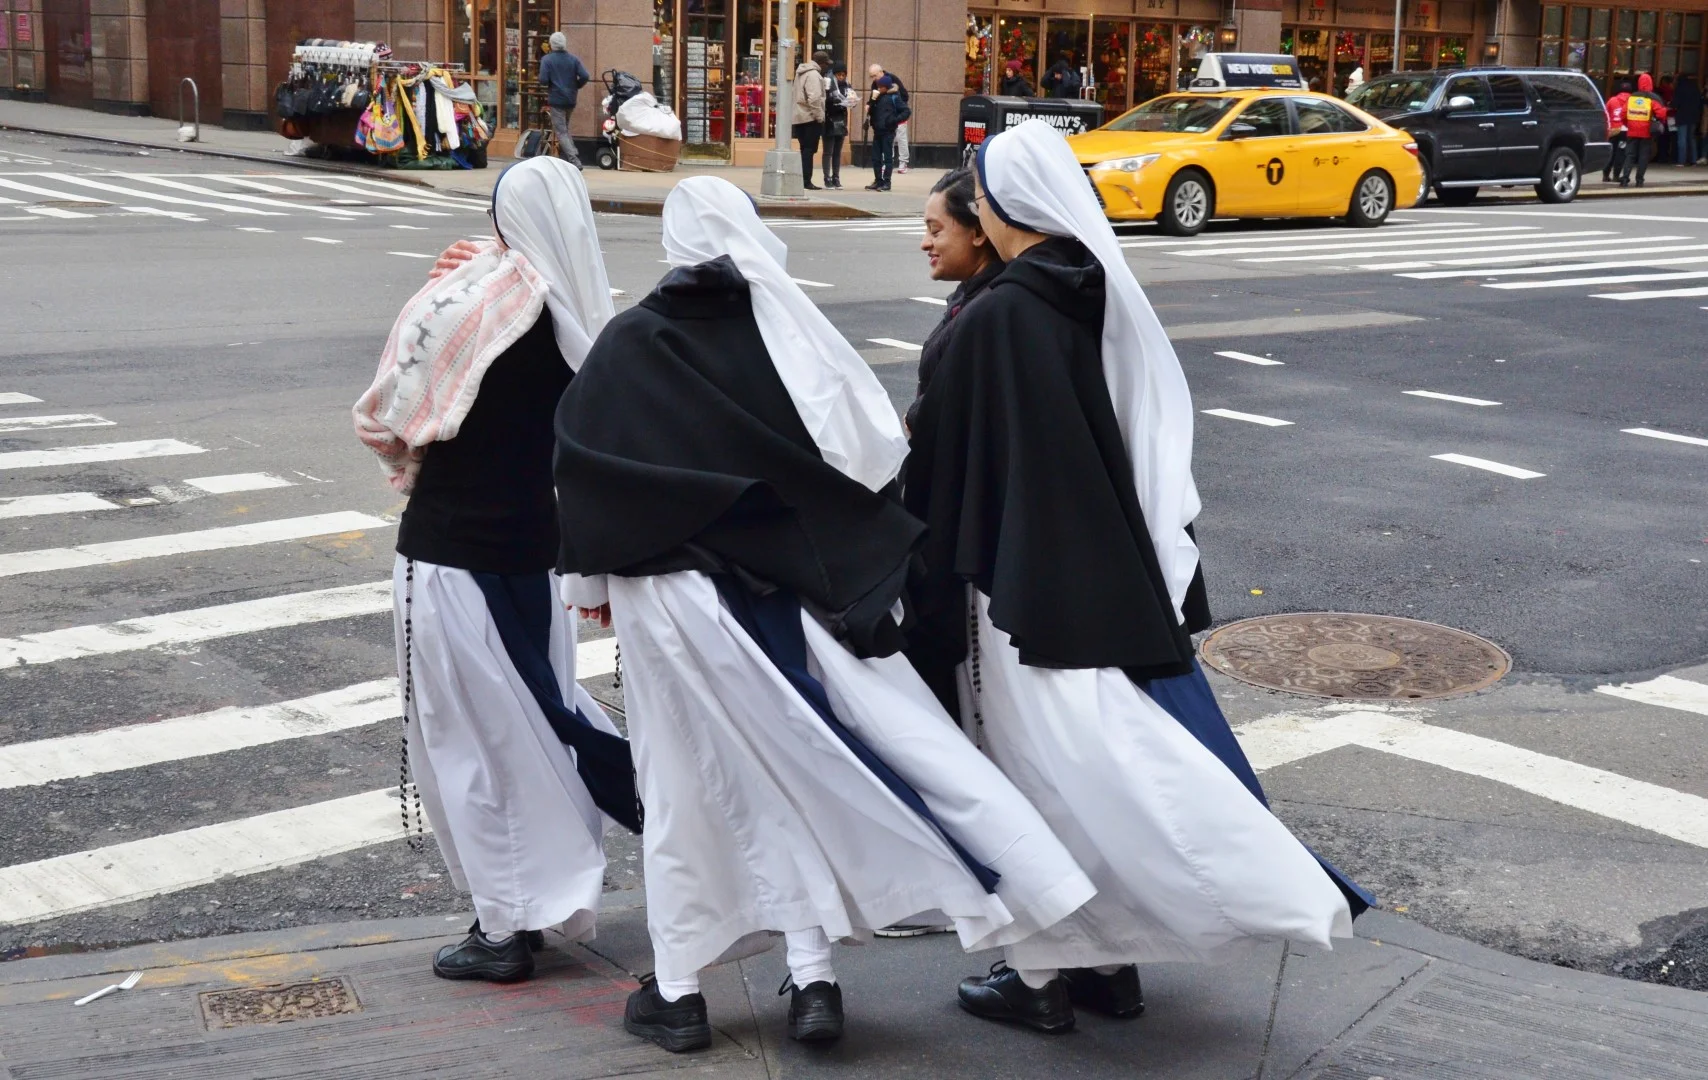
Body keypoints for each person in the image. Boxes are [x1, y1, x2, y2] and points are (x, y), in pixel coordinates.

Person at [552, 176, 1095, 1052]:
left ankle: (682, 990)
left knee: (683, 786)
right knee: (806, 773)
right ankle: (813, 981)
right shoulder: (782, 329)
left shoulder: (629, 343)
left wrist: (591, 592)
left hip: (664, 600)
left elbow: (581, 469)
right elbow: (866, 452)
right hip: (779, 598)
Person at [903, 121, 1370, 1034]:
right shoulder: (1084, 291)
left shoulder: (1003, 314)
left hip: (1013, 591)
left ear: (999, 209)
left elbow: (954, 464)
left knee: (1035, 774)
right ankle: (1105, 966)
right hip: (1090, 571)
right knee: (1095, 766)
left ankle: (1042, 978)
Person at [353, 157, 637, 986]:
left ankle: (504, 927)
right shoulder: (586, 322)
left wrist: (459, 276)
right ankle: (535, 905)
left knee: (468, 747)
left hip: (449, 557)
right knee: (534, 731)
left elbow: (396, 411)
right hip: (529, 561)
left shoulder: (479, 308)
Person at [905, 168, 1004, 437]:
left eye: (935, 231)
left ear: (978, 232)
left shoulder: (989, 309)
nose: (925, 244)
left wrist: (916, 417)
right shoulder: (972, 295)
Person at [538, 32, 591, 168]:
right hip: (571, 99)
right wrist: (576, 86)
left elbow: (543, 80)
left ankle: (574, 159)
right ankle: (571, 155)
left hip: (556, 100)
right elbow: (585, 75)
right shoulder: (573, 59)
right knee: (565, 129)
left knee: (561, 131)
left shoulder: (547, 60)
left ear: (551, 44)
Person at [1617, 74, 1667, 186]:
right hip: (1646, 132)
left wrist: (1629, 124)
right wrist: (1658, 121)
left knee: (1629, 155)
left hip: (1632, 131)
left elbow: (1623, 114)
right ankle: (1639, 181)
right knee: (1643, 156)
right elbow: (1661, 113)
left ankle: (1624, 179)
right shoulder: (1653, 98)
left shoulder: (1631, 97)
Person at [865, 63, 907, 191]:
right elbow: (873, 99)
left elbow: (904, 99)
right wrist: (869, 105)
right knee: (876, 156)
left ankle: (886, 181)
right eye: (871, 77)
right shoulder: (876, 85)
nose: (874, 79)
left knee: (888, 155)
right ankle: (878, 180)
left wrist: (893, 117)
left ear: (880, 72)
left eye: (874, 76)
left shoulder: (892, 81)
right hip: (878, 125)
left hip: (889, 124)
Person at [793, 50, 828, 190]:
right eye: (826, 64)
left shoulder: (801, 72)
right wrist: (819, 117)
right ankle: (806, 181)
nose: (826, 67)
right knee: (809, 150)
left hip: (799, 117)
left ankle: (803, 179)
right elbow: (814, 98)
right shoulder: (814, 74)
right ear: (822, 63)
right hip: (810, 118)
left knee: (804, 150)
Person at [822, 61, 855, 189]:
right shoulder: (828, 84)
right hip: (829, 120)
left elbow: (851, 97)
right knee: (828, 151)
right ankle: (827, 177)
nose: (841, 77)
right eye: (839, 75)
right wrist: (833, 100)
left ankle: (836, 177)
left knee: (837, 152)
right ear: (834, 75)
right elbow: (824, 100)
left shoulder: (847, 85)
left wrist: (852, 101)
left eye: (843, 75)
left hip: (841, 121)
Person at [1605, 79, 1633, 182]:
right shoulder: (1632, 101)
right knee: (1621, 153)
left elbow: (1605, 114)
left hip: (1613, 130)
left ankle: (1605, 174)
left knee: (1610, 152)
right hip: (1625, 130)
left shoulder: (1612, 100)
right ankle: (1616, 175)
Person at [1673, 73, 1701, 167]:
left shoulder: (1679, 88)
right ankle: (1693, 160)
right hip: (1693, 116)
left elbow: (1675, 103)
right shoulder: (1695, 88)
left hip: (1682, 116)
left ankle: (1681, 161)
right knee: (1691, 138)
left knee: (1682, 138)